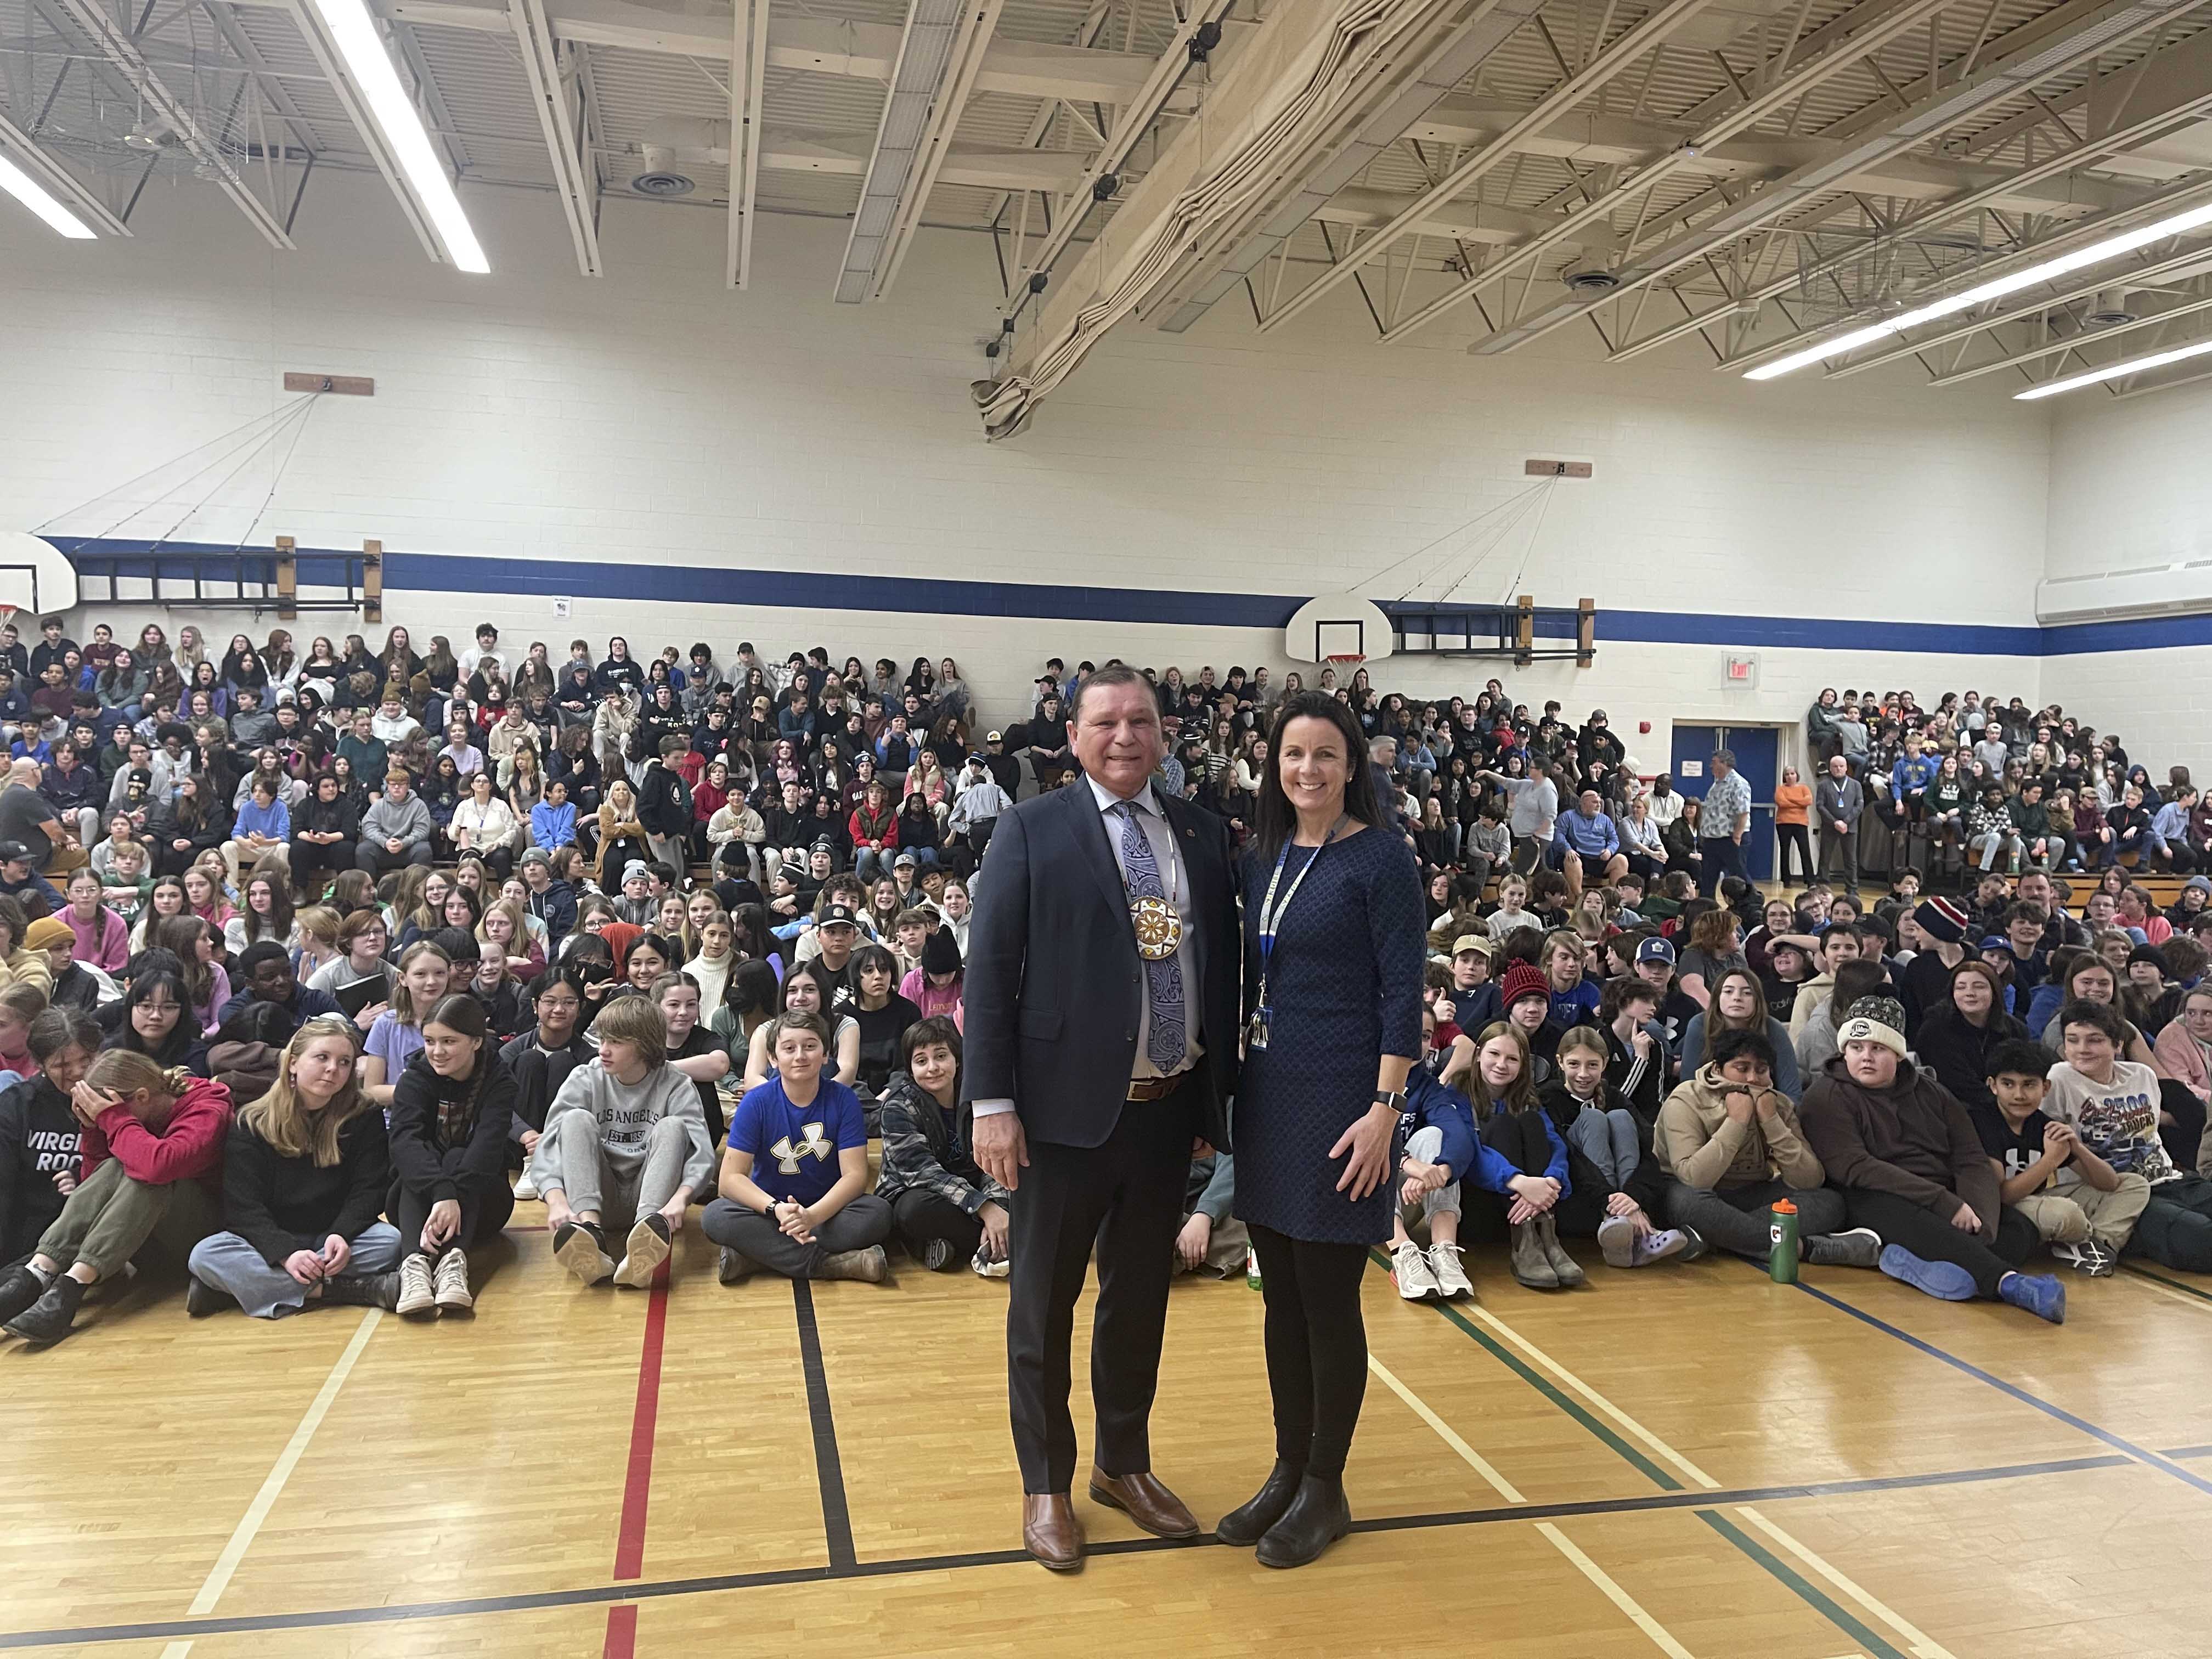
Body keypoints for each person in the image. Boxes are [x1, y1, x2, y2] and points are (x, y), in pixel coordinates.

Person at [966, 665, 1240, 1574]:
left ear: (1163, 733)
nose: (1125, 735)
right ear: (1073, 736)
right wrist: (992, 1101)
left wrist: (1205, 1098)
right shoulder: (1030, 827)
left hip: (1163, 1114)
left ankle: (1123, 1462)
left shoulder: (1200, 832)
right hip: (1054, 1119)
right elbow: (989, 973)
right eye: (1106, 721)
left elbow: (1218, 974)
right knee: (1041, 1304)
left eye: (1141, 721)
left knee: (1140, 1300)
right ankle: (1045, 1479)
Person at [1210, 689, 1421, 1569]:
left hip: (1345, 1101)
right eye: (1293, 755)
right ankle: (1288, 1466)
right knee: (1280, 1298)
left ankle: (1327, 1487)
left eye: (1325, 755)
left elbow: (1401, 994)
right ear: (1273, 764)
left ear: (1352, 765)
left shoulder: (1383, 858)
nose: (1308, 770)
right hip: (1268, 1095)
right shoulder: (1259, 856)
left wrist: (1384, 1112)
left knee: (1329, 1301)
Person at [1799, 996, 2064, 1322]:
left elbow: (1969, 1157)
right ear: (1844, 1051)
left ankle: (1913, 1262)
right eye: (1856, 1047)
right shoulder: (1825, 1097)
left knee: (2020, 1230)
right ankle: (2011, 1285)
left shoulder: (1932, 1092)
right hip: (1873, 1194)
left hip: (1941, 1190)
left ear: (1897, 1053)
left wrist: (1979, 1216)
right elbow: (1854, 1167)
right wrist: (1945, 1203)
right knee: (1918, 1222)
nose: (1866, 1057)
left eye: (1878, 1048)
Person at [0, 1051, 232, 1344]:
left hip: (202, 1239)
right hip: (141, 1241)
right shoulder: (134, 1111)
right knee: (116, 1165)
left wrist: (114, 1120)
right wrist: (93, 1130)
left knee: (151, 1175)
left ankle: (71, 1287)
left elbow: (160, 1165)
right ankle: (37, 1273)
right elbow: (94, 1180)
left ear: (143, 1097)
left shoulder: (207, 1108)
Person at [185, 1020, 404, 1317]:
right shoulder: (250, 1121)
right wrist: (285, 1255)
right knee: (205, 1255)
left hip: (331, 1237)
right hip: (272, 1239)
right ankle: (346, 1290)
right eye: (322, 1058)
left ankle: (232, 1290)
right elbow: (243, 1207)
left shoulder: (364, 1115)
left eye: (344, 1062)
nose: (332, 1069)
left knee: (390, 1243)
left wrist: (341, 1234)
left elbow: (369, 1190)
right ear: (293, 1063)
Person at [530, 994, 713, 1288]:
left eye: (615, 1042)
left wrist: (681, 1200)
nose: (603, 1050)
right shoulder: (585, 1077)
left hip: (653, 1201)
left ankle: (647, 1233)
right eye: (602, 1040)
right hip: (597, 1195)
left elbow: (701, 1153)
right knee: (575, 1119)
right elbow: (549, 1146)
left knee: (673, 1126)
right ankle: (590, 1232)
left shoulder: (676, 1083)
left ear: (644, 1044)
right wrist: (556, 1201)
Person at [1655, 1028, 1874, 1264]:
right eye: (1742, 1068)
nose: (1752, 1078)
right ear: (1718, 1068)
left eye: (1761, 1070)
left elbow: (1809, 1180)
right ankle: (1805, 1248)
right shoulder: (1686, 1099)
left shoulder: (1776, 1103)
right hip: (1691, 1191)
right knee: (1688, 1204)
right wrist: (1736, 1122)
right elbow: (1693, 1178)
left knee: (1830, 1202)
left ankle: (1717, 1238)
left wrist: (1772, 1122)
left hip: (1750, 1191)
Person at [704, 1008, 891, 1282]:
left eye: (810, 1046)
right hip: (770, 1212)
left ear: (825, 1055)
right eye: (789, 1048)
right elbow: (730, 1180)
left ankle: (757, 1257)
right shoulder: (757, 1102)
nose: (801, 1056)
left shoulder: (844, 1099)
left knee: (878, 1213)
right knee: (715, 1216)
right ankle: (832, 1265)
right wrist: (776, 1209)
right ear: (773, 1058)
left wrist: (812, 1216)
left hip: (827, 1211)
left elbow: (856, 1176)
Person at [2045, 998, 2212, 1273]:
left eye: (2094, 1040)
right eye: (2073, 1040)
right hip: (2118, 1194)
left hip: (2170, 1179)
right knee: (2203, 1239)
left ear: (2118, 1044)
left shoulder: (2141, 1075)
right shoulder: (2060, 1078)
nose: (2082, 1050)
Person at [1971, 1037, 2148, 1277]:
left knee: (2135, 1184)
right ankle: (2077, 1242)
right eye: (2009, 1084)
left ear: (2045, 1088)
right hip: (2005, 1209)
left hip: (2041, 1199)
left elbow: (2110, 1184)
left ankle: (2097, 1245)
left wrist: (2076, 1146)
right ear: (1993, 1086)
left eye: (2029, 1085)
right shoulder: (1982, 1121)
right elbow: (2001, 1196)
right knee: (2065, 1213)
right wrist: (2050, 1162)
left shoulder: (2044, 1125)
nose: (2019, 1094)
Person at [387, 994, 517, 1318]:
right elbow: (404, 1143)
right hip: (415, 1205)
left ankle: (453, 1262)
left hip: (484, 1203)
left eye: (449, 1041)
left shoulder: (499, 1079)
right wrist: (442, 1193)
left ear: (475, 1042)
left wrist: (452, 1195)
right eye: (430, 1041)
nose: (437, 1051)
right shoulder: (415, 1077)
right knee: (426, 1156)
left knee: (460, 1154)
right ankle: (414, 1266)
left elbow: (487, 1149)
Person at [874, 1017, 1009, 1273]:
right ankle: (1002, 1240)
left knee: (1026, 1187)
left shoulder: (978, 1099)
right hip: (920, 1192)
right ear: (911, 1069)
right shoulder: (897, 1107)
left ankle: (967, 1242)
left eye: (941, 1056)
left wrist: (999, 1206)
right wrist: (986, 1209)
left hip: (970, 1190)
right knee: (913, 1210)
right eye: (921, 1061)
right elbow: (926, 1174)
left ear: (957, 1060)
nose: (933, 1068)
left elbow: (994, 1161)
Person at [0, 1008, 99, 1263]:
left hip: (92, 1233)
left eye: (86, 1060)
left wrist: (82, 1174)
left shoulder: (115, 1097)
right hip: (28, 1234)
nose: (77, 1072)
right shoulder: (17, 1105)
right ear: (41, 1065)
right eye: (62, 1065)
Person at [354, 769, 435, 874]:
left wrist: (404, 843)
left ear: (408, 786)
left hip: (408, 848)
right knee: (363, 850)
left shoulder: (419, 805)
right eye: (393, 784)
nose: (397, 787)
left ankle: (417, 887)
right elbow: (369, 827)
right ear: (387, 786)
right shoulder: (379, 805)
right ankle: (368, 887)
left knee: (424, 849)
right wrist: (385, 842)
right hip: (383, 848)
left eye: (401, 784)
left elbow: (422, 831)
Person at [1815, 754, 1864, 895]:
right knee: (1825, 858)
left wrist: (1845, 821)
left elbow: (1859, 805)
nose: (1838, 769)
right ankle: (1822, 887)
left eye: (1841, 766)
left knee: (1851, 860)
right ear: (1830, 769)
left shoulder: (1856, 785)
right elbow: (1820, 806)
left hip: (1850, 827)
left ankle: (1852, 889)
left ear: (1846, 768)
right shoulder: (1824, 785)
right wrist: (1835, 821)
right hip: (1830, 826)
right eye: (1835, 767)